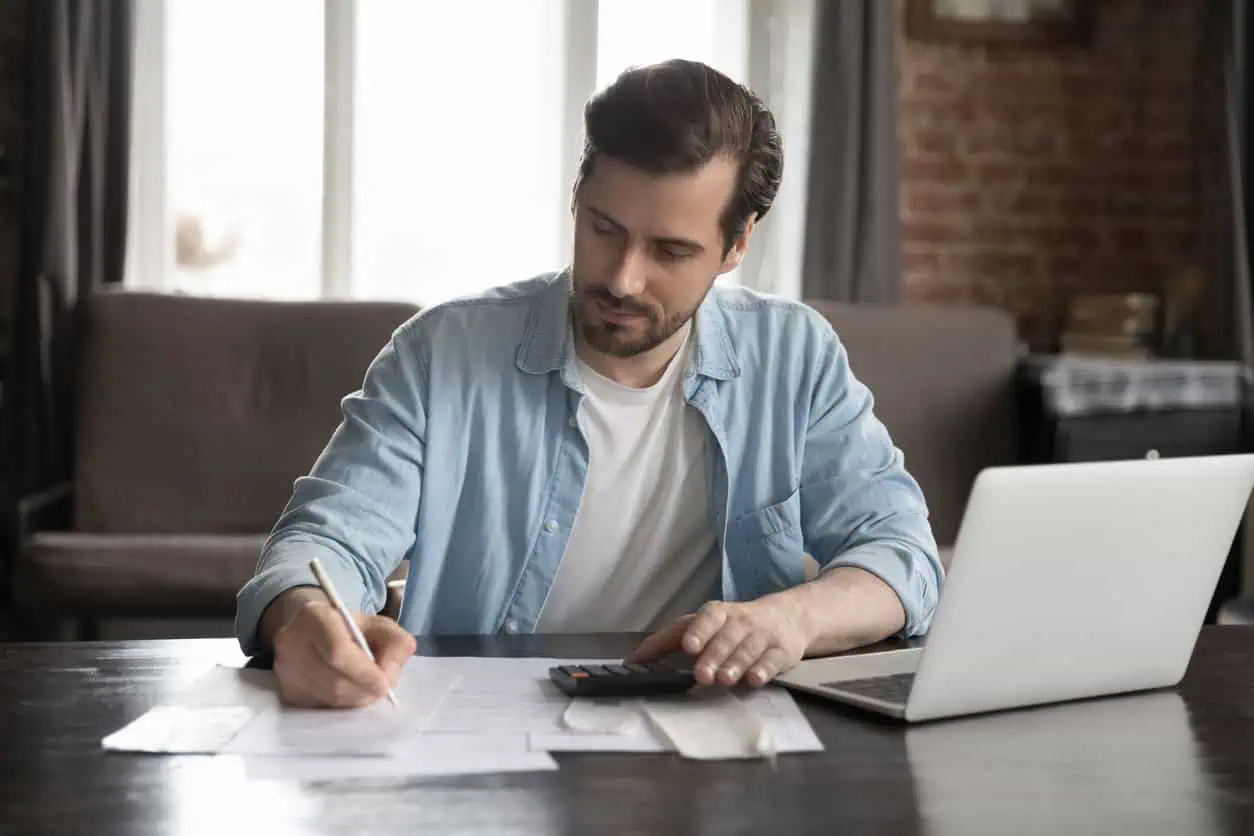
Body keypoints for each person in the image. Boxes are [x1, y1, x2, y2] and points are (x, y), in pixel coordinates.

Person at [236, 58, 943, 709]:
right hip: (481, 731)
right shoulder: (440, 353)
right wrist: (306, 620)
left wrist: (791, 617)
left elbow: (903, 556)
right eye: (604, 228)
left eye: (671, 250)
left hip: (717, 730)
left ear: (736, 245)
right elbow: (322, 541)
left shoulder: (795, 356)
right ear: (578, 197)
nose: (623, 278)